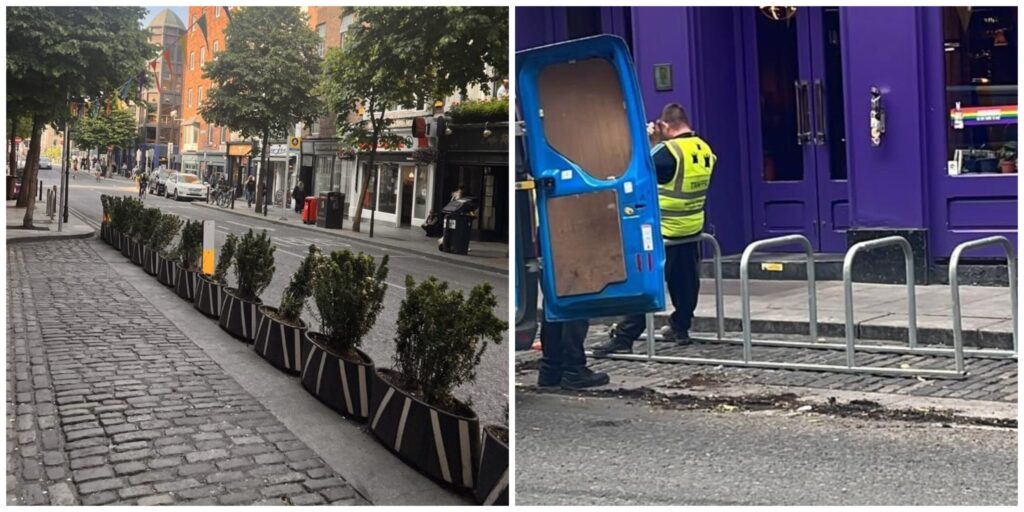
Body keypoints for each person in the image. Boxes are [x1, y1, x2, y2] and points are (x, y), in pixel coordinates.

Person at [594, 103, 716, 355]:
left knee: (645, 282)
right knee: (686, 281)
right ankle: (680, 328)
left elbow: (637, 171)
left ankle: (625, 337)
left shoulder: (666, 151)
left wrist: (652, 141)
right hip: (691, 226)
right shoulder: (704, 149)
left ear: (665, 125)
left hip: (663, 229)